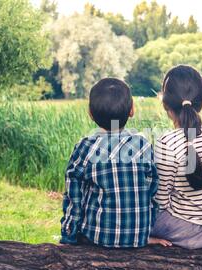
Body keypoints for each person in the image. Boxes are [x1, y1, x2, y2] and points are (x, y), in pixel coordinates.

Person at [60, 78, 159, 248]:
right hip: (138, 238)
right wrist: (145, 231)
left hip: (97, 239)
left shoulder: (86, 147)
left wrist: (68, 237)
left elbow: (74, 198)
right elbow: (153, 193)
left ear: (90, 113)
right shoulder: (144, 145)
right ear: (132, 110)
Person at [150, 65, 202, 249]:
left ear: (165, 103)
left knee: (140, 210)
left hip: (187, 231)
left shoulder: (166, 142)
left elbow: (161, 202)